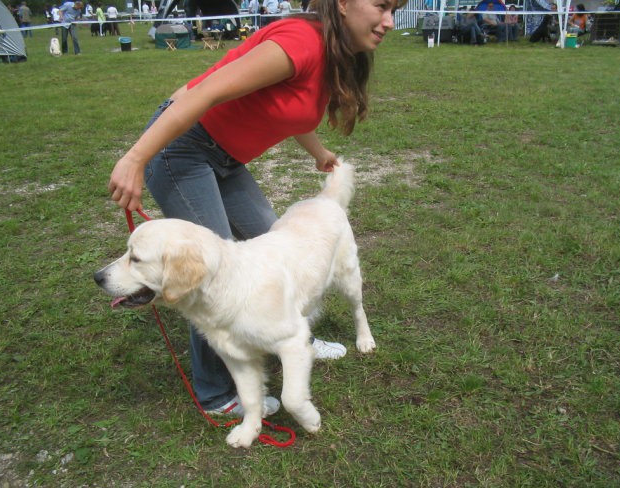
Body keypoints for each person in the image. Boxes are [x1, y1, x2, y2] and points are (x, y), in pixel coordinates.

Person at [107, 0, 402, 417]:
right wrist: (137, 158)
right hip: (183, 152)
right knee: (209, 269)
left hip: (225, 157)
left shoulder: (331, 51)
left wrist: (318, 152)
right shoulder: (301, 42)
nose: (389, 21)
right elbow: (203, 92)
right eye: (382, 6)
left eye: (395, 9)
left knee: (272, 238)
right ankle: (217, 395)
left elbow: (292, 108)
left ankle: (290, 333)